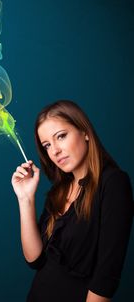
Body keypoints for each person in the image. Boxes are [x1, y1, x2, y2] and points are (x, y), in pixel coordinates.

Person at [11, 100, 133, 302]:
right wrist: (25, 198)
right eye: (47, 145)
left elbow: (106, 277)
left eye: (61, 136)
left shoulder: (113, 183)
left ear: (85, 132)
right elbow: (35, 260)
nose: (55, 151)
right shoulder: (58, 191)